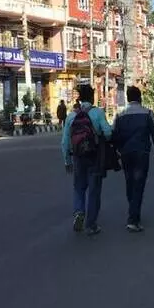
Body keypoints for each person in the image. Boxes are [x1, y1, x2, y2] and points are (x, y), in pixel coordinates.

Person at [61, 85, 113, 236]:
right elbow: (108, 132)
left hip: (77, 157)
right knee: (94, 191)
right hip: (94, 156)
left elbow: (65, 141)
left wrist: (67, 161)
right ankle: (91, 225)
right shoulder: (97, 113)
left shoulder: (71, 116)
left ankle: (78, 212)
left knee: (79, 187)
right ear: (92, 97)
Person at [112, 86, 154, 232]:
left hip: (126, 154)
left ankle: (133, 212)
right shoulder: (147, 113)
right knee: (139, 185)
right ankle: (133, 219)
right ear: (140, 98)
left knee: (130, 183)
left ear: (128, 98)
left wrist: (117, 152)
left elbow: (114, 135)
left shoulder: (120, 115)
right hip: (142, 153)